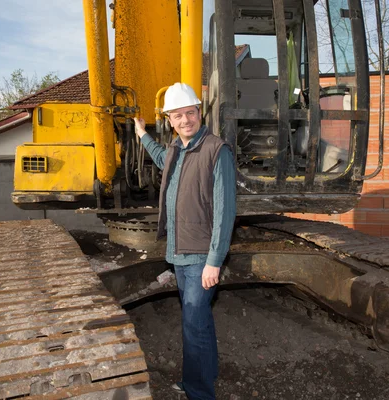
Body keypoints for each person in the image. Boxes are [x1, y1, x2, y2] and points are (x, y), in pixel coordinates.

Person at [134, 82, 236, 400]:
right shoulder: (177, 151)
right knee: (198, 323)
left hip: (200, 257)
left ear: (198, 112)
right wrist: (141, 134)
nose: (185, 120)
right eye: (177, 116)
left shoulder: (216, 151)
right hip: (179, 253)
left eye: (189, 113)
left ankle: (199, 392)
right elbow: (161, 158)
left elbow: (225, 211)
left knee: (193, 325)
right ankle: (202, 377)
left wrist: (214, 262)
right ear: (169, 121)